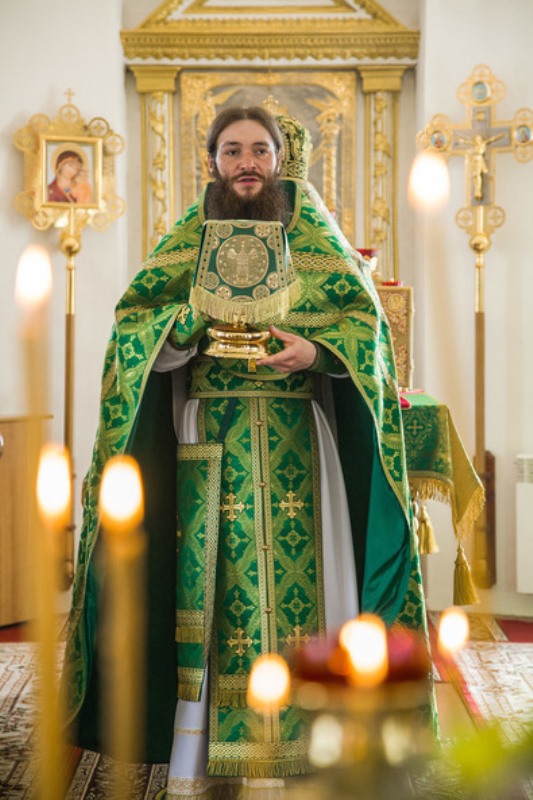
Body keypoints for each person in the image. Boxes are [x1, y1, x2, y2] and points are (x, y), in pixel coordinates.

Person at [61, 106, 435, 798]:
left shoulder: (314, 236)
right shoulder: (189, 234)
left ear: (279, 158)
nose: (246, 163)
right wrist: (186, 324)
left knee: (312, 586)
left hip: (299, 440)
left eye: (259, 150)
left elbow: (366, 329)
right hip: (208, 437)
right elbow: (133, 327)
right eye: (231, 150)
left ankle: (313, 740)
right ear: (211, 161)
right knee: (211, 593)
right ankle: (204, 752)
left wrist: (316, 352)